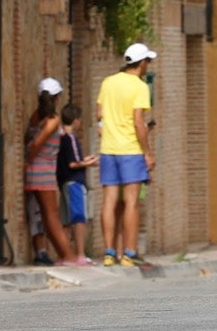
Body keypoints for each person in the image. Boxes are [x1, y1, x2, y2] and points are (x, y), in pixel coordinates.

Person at [96, 42, 157, 269]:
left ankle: (109, 253)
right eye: (147, 62)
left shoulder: (108, 82)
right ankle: (129, 253)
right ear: (141, 63)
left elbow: (99, 114)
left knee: (109, 201)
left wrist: (107, 131)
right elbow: (138, 122)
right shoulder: (140, 87)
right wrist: (147, 153)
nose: (147, 66)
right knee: (131, 202)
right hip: (130, 150)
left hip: (108, 149)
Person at [25, 78, 78, 265]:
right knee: (52, 215)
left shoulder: (35, 116)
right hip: (43, 170)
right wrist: (30, 158)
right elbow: (38, 142)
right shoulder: (52, 120)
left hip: (36, 169)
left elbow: (29, 137)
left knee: (47, 215)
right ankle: (68, 255)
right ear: (57, 98)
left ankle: (62, 254)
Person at [56, 102, 99, 262]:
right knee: (79, 219)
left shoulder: (60, 137)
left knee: (66, 221)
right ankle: (80, 254)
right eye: (79, 120)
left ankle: (65, 255)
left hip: (64, 183)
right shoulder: (71, 138)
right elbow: (73, 163)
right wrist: (90, 163)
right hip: (75, 182)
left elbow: (71, 159)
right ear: (75, 120)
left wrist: (85, 159)